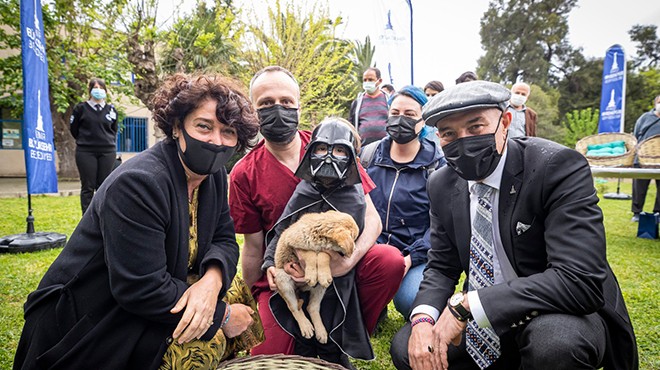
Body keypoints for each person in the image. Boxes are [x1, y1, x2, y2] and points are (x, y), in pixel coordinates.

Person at [14, 74, 262, 370]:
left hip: (158, 292)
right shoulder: (139, 183)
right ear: (176, 127)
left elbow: (224, 237)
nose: (215, 141)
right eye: (204, 126)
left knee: (235, 289)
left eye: (228, 132)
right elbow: (140, 288)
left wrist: (212, 281)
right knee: (203, 342)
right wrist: (220, 315)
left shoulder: (215, 176)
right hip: (95, 319)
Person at [390, 81, 638, 370]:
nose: (463, 140)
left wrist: (467, 305)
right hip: (484, 316)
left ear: (505, 122)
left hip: (555, 310)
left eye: (476, 127)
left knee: (555, 345)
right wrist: (422, 320)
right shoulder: (442, 183)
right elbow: (442, 266)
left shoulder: (555, 166)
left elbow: (578, 280)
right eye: (449, 133)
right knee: (407, 347)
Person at [229, 66, 404, 359]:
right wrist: (259, 286)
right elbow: (254, 246)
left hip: (338, 261)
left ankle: (350, 328)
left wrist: (345, 264)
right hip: (285, 270)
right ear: (253, 110)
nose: (278, 110)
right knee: (270, 355)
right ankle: (297, 330)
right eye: (266, 104)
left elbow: (372, 219)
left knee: (389, 261)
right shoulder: (244, 173)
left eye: (286, 102)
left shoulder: (331, 146)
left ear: (298, 105)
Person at [262, 117, 375, 365]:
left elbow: (349, 245)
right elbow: (283, 228)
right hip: (294, 270)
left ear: (351, 156)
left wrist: (330, 262)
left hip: (335, 276)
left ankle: (333, 355)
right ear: (311, 151)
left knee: (332, 308)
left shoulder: (354, 195)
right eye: (322, 149)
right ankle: (305, 354)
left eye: (339, 150)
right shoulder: (304, 189)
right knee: (297, 327)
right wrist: (270, 262)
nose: (329, 157)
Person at [361, 86, 445, 319]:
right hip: (371, 248)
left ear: (423, 120)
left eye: (409, 115)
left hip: (415, 253)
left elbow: (440, 227)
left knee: (411, 300)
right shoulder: (368, 156)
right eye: (395, 112)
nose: (400, 120)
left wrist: (409, 259)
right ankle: (373, 304)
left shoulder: (438, 166)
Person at [69, 78, 118, 214]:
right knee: (87, 186)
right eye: (95, 88)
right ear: (90, 91)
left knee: (104, 185)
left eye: (101, 88)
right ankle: (87, 218)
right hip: (86, 151)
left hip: (107, 151)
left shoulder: (111, 110)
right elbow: (74, 129)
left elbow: (114, 129)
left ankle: (103, 215)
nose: (98, 90)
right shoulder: (80, 108)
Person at [631, 94, 660, 222]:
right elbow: (636, 135)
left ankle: (658, 212)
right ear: (655, 103)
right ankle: (637, 212)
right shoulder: (645, 118)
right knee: (639, 187)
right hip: (642, 158)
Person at [348, 67, 390, 145]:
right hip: (364, 148)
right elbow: (351, 125)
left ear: (379, 81)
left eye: (370, 80)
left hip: (386, 147)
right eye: (365, 80)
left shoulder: (389, 101)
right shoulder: (357, 103)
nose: (367, 82)